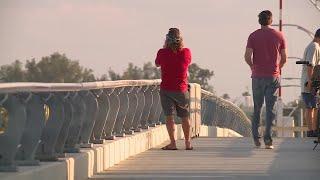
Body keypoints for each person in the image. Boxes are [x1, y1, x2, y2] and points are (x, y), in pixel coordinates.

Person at [244, 10, 287, 149]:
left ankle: (256, 138)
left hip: (257, 76)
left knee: (257, 108)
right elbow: (284, 58)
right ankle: (268, 140)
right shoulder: (279, 35)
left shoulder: (253, 36)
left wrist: (252, 67)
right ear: (271, 20)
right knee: (270, 109)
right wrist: (278, 68)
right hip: (273, 76)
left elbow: (247, 56)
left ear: (259, 20)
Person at [155, 28, 193, 150]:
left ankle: (173, 143)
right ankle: (188, 143)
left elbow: (157, 63)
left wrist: (166, 48)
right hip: (181, 90)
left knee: (169, 116)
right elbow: (188, 63)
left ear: (167, 39)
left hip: (166, 89)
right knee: (185, 116)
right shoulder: (186, 52)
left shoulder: (162, 52)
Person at [300, 28, 320, 137]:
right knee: (312, 107)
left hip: (309, 82)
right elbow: (310, 65)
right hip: (310, 83)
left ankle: (312, 130)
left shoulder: (312, 46)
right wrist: (311, 82)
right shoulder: (314, 47)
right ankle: (312, 131)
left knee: (312, 107)